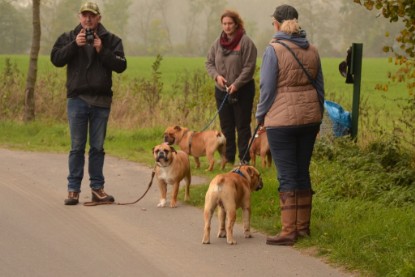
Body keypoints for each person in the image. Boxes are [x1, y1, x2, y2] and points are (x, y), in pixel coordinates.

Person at [256, 4, 325, 245]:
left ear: (276, 23)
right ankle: (303, 228)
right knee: (302, 171)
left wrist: (260, 116)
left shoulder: (273, 50)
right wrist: (318, 116)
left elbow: (266, 87)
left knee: (286, 175)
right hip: (310, 119)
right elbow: (320, 88)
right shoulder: (312, 49)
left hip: (281, 122)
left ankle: (288, 231)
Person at [51, 2, 127, 205]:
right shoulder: (69, 37)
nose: (88, 19)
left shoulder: (111, 40)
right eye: (84, 15)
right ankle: (73, 190)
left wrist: (102, 50)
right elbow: (56, 59)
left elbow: (121, 65)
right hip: (77, 100)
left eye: (92, 16)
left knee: (97, 148)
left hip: (101, 101)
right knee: (76, 147)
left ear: (99, 18)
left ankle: (97, 189)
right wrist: (74, 45)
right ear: (79, 17)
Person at [205, 10, 257, 166]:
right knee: (226, 127)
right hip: (222, 91)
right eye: (224, 24)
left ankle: (244, 159)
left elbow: (249, 67)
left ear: (236, 24)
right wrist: (217, 77)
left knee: (242, 126)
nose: (227, 27)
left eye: (230, 24)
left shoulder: (246, 42)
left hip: (242, 90)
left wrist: (236, 84)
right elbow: (209, 63)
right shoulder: (217, 43)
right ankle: (228, 158)